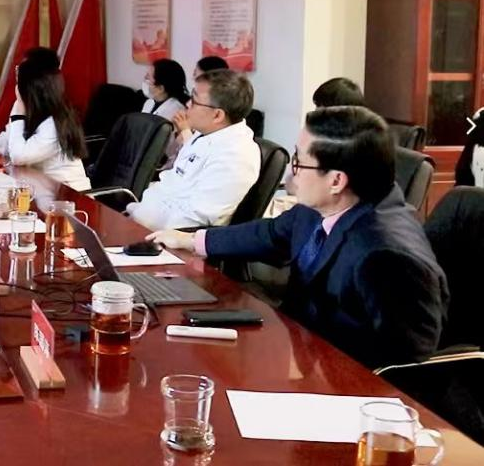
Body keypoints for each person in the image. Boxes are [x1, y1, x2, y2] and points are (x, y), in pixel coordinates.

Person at [149, 107, 448, 368]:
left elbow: (407, 364)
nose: (289, 177)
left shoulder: (385, 255)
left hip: (346, 386)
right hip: (303, 352)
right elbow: (271, 234)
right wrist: (191, 240)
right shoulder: (324, 206)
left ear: (336, 180)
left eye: (298, 163)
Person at [125, 69, 260, 230]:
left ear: (217, 115)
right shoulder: (205, 134)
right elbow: (172, 182)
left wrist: (139, 224)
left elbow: (193, 220)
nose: (188, 104)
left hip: (162, 235)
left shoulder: (236, 157)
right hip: (142, 217)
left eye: (194, 101)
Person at [0, 63, 90, 191]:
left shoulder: (54, 123)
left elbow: (18, 156)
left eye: (19, 84)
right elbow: (5, 142)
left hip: (69, 195)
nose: (16, 89)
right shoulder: (28, 110)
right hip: (43, 189)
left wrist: (18, 114)